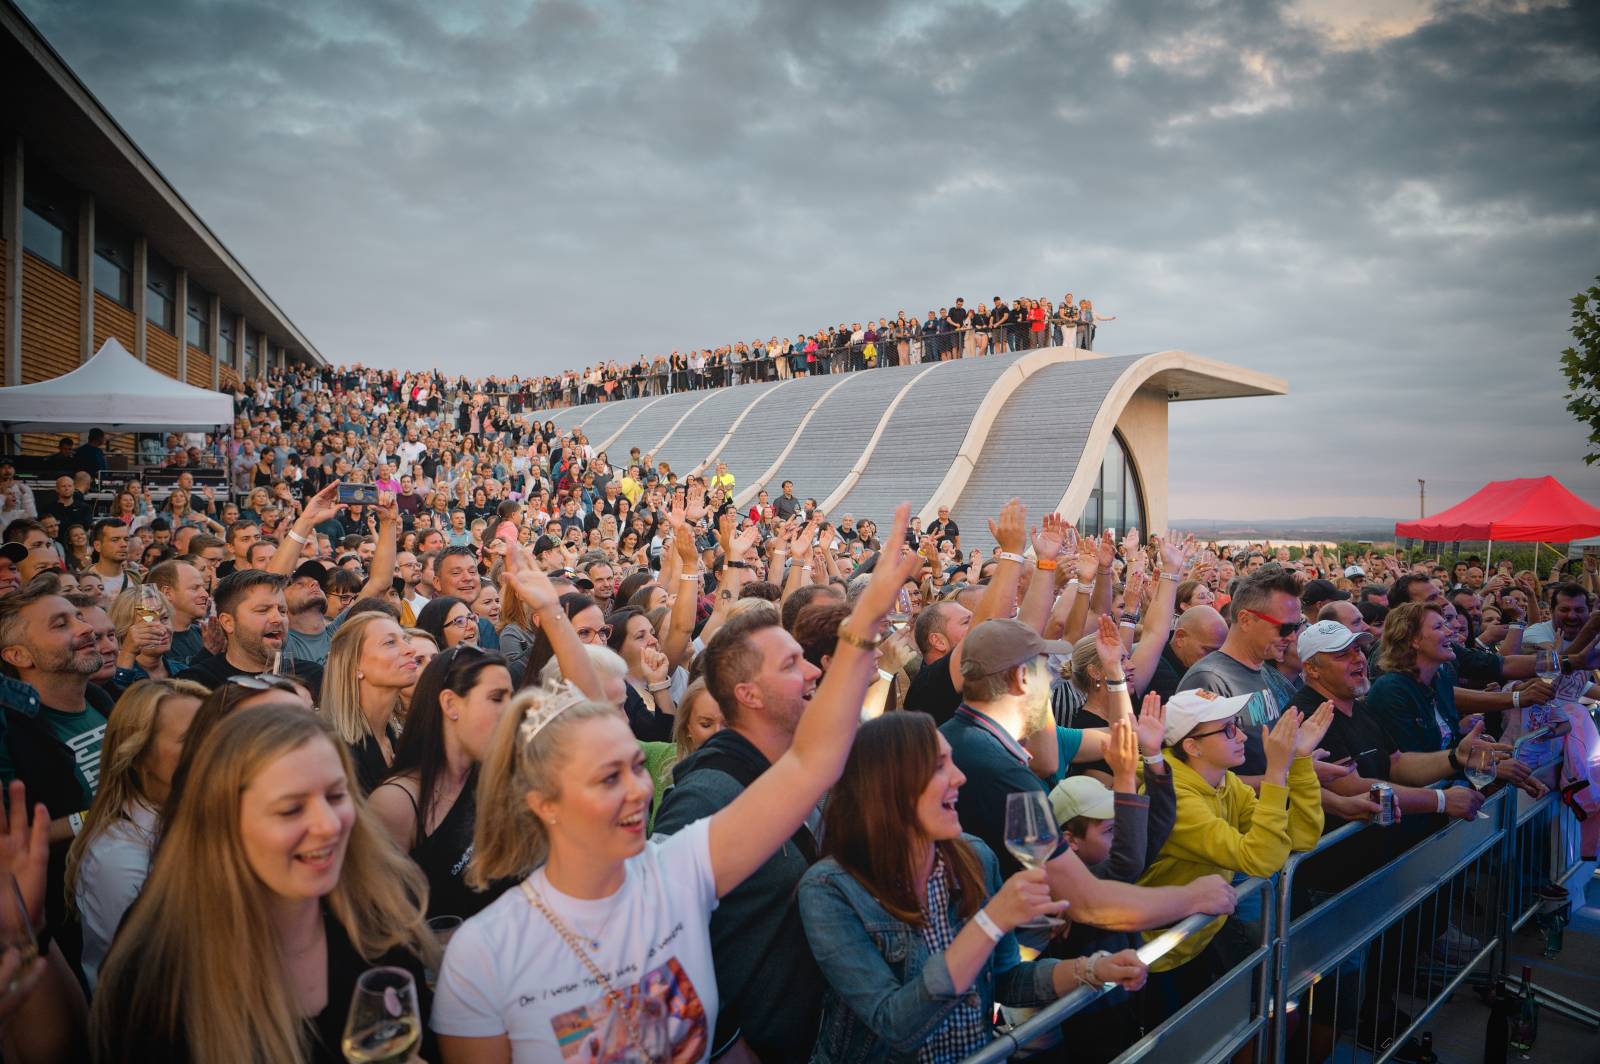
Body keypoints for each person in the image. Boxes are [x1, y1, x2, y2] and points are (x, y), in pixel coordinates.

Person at [429, 503, 920, 1063]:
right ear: (544, 802)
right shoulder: (483, 955)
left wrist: (865, 623)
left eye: (637, 767)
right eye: (608, 779)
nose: (639, 791)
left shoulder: (677, 870)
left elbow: (813, 762)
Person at [91, 705, 439, 1063]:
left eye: (336, 796)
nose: (329, 825)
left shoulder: (380, 911)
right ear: (223, 823)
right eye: (291, 809)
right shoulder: (158, 971)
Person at [797, 712, 1147, 1061]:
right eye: (939, 766)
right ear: (890, 787)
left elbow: (1007, 979)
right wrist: (991, 922)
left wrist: (1090, 970)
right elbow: (895, 1025)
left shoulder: (973, 857)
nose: (960, 777)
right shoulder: (830, 889)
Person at [1136, 690, 1328, 1020]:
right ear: (1191, 746)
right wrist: (1275, 773)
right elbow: (1259, 859)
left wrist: (1299, 760)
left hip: (1201, 936)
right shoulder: (1175, 799)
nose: (1240, 735)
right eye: (1227, 729)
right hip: (1158, 954)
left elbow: (1300, 837)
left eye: (1236, 724)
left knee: (1252, 1026)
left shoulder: (1225, 782)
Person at [63, 678, 207, 989]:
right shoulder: (119, 860)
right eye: (190, 738)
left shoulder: (200, 813)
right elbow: (171, 979)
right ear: (140, 754)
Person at [321, 612, 421, 791]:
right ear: (354, 665)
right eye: (390, 642)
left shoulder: (396, 737)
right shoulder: (336, 752)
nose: (410, 649)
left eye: (405, 639)